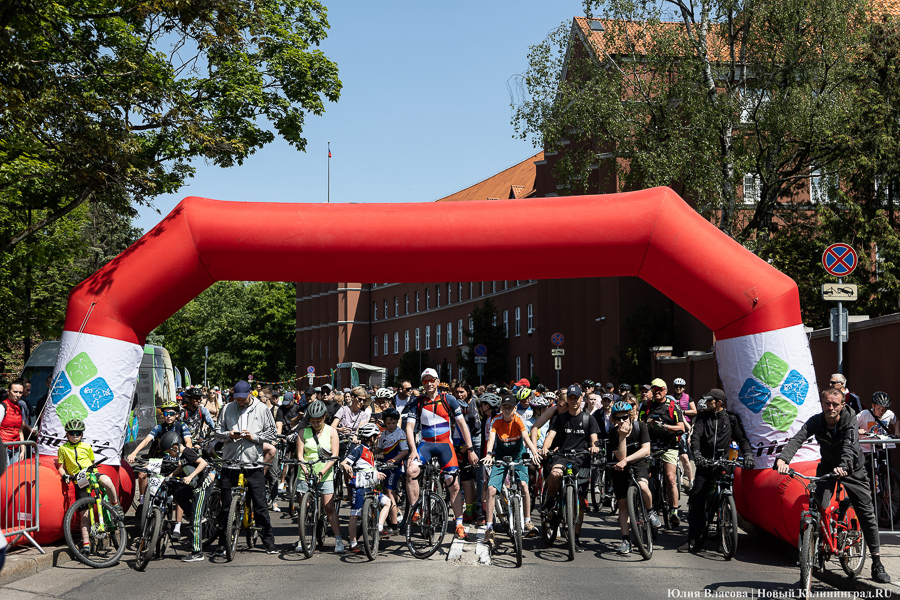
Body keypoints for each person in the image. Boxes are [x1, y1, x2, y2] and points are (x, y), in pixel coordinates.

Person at [776, 388, 891, 584]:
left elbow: (849, 445)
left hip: (852, 469)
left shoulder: (850, 420)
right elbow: (798, 438)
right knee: (818, 503)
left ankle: (877, 563)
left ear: (842, 405)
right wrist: (783, 459)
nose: (831, 407)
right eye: (827, 403)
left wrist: (844, 465)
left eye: (835, 404)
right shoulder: (817, 421)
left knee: (867, 513)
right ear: (822, 404)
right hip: (828, 467)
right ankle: (818, 546)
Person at [405, 368, 478, 542]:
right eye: (425, 381)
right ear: (422, 384)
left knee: (453, 485)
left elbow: (462, 425)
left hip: (446, 445)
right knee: (411, 471)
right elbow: (408, 428)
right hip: (426, 445)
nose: (429, 383)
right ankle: (416, 510)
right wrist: (413, 450)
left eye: (432, 380)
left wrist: (470, 449)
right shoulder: (417, 402)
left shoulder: (448, 399)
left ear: (438, 381)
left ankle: (459, 524)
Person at [678, 388, 753, 553]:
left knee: (725, 497)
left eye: (710, 400)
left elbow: (741, 439)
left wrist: (748, 455)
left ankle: (723, 537)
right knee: (697, 500)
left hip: (724, 464)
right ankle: (692, 539)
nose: (706, 403)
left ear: (719, 403)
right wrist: (696, 454)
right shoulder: (703, 417)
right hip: (704, 463)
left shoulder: (731, 419)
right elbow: (696, 437)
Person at [213, 380, 278, 556]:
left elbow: (272, 433)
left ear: (250, 394)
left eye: (243, 399)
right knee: (225, 506)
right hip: (230, 462)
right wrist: (229, 435)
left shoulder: (262, 409)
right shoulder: (227, 408)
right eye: (237, 399)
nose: (240, 402)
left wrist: (254, 437)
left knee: (260, 505)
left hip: (253, 463)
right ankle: (222, 543)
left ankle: (268, 542)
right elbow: (217, 432)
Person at [538, 384, 601, 551]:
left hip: (582, 459)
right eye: (570, 398)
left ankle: (575, 536)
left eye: (576, 397)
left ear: (582, 399)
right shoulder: (560, 418)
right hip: (563, 456)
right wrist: (545, 448)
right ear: (568, 399)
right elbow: (551, 436)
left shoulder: (589, 419)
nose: (573, 400)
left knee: (580, 499)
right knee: (555, 474)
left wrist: (594, 447)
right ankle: (551, 499)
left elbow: (594, 438)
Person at [481, 395, 541, 544]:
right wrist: (489, 454)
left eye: (510, 408)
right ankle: (489, 528)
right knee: (491, 489)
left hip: (518, 456)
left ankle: (528, 521)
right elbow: (491, 439)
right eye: (504, 407)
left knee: (524, 485)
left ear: (515, 409)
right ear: (501, 408)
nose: (507, 410)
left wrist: (534, 453)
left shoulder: (518, 420)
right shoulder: (496, 420)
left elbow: (526, 438)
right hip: (501, 457)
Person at [57, 419, 123, 553]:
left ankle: (115, 505)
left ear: (81, 434)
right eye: (72, 433)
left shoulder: (86, 447)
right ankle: (86, 544)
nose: (75, 435)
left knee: (107, 481)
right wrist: (65, 476)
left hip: (91, 473)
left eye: (78, 433)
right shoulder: (63, 449)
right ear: (67, 434)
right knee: (85, 515)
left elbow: (92, 462)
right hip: (78, 479)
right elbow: (61, 467)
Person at [296, 400, 343, 552]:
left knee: (329, 507)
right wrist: (304, 468)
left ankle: (338, 539)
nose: (316, 423)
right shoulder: (303, 432)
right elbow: (300, 456)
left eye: (319, 420)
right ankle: (301, 538)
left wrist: (324, 469)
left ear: (325, 417)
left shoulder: (331, 431)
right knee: (304, 507)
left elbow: (335, 455)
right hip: (306, 471)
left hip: (325, 471)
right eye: (313, 421)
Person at [608, 400, 653, 554]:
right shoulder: (614, 433)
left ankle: (651, 510)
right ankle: (626, 539)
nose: (622, 421)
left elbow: (646, 450)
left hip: (638, 464)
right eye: (618, 418)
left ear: (631, 416)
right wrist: (622, 437)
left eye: (625, 417)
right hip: (619, 468)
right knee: (622, 504)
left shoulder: (641, 427)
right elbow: (620, 456)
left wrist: (627, 460)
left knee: (643, 486)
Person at [638, 378, 685, 527]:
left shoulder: (672, 406)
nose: (656, 392)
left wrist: (664, 427)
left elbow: (681, 428)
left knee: (670, 477)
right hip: (650, 446)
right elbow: (639, 426)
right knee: (646, 478)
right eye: (654, 389)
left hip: (669, 445)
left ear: (665, 391)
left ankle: (673, 512)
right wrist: (648, 423)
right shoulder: (646, 406)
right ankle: (646, 509)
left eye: (659, 389)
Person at [127, 400, 193, 506]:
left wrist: (184, 456)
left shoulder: (182, 426)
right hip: (161, 461)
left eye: (171, 414)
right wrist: (134, 453)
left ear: (176, 414)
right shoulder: (159, 427)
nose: (168, 416)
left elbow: (188, 442)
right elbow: (146, 441)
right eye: (166, 414)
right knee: (142, 474)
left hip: (177, 462)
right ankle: (142, 502)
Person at [163, 431, 215, 562]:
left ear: (175, 447)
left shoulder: (187, 452)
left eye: (169, 452)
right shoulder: (183, 454)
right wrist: (171, 475)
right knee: (179, 494)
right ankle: (193, 514)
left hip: (202, 486)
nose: (170, 455)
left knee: (195, 520)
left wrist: (190, 476)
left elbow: (203, 463)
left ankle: (197, 553)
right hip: (193, 486)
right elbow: (182, 465)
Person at [341, 422, 393, 552]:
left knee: (388, 502)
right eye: (375, 436)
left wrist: (377, 473)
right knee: (354, 515)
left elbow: (367, 469)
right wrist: (347, 466)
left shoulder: (370, 451)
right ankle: (353, 543)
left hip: (371, 487)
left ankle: (380, 527)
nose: (377, 439)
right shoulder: (358, 449)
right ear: (371, 437)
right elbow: (344, 462)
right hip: (359, 488)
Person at [451, 381, 481, 523]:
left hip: (466, 446)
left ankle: (470, 511)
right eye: (457, 392)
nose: (459, 394)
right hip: (463, 445)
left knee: (466, 480)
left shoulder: (470, 405)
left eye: (462, 391)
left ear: (468, 391)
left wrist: (464, 450)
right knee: (469, 479)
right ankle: (473, 509)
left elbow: (470, 430)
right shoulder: (458, 403)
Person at [376, 408, 408, 535]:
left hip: (394, 466)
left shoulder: (400, 433)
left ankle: (394, 526)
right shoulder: (383, 434)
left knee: (389, 492)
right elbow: (378, 449)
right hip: (384, 465)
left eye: (394, 423)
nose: (391, 426)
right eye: (388, 423)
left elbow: (405, 451)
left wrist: (393, 461)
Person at [671, 377, 697, 491]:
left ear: (684, 388)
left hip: (686, 426)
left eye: (680, 387)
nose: (678, 388)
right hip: (674, 425)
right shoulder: (670, 398)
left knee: (685, 456)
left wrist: (683, 412)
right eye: (676, 386)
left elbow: (695, 411)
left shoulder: (688, 398)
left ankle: (691, 480)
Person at [0, 379, 26, 462]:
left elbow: (20, 431)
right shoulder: (2, 407)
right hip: (4, 447)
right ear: (8, 392)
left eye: (20, 392)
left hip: (16, 448)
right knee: (5, 474)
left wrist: (23, 450)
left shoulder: (20, 408)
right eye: (15, 392)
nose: (18, 395)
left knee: (15, 473)